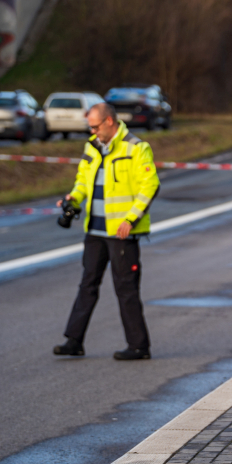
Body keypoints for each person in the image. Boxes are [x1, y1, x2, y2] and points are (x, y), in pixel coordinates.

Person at [54, 103, 160, 360]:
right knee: (87, 284)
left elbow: (150, 186)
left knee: (126, 288)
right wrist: (73, 199)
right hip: (95, 230)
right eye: (90, 126)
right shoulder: (92, 146)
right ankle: (74, 340)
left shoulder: (136, 148)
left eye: (95, 126)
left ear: (110, 121)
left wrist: (131, 220)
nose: (92, 131)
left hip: (122, 233)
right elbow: (82, 181)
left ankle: (139, 347)